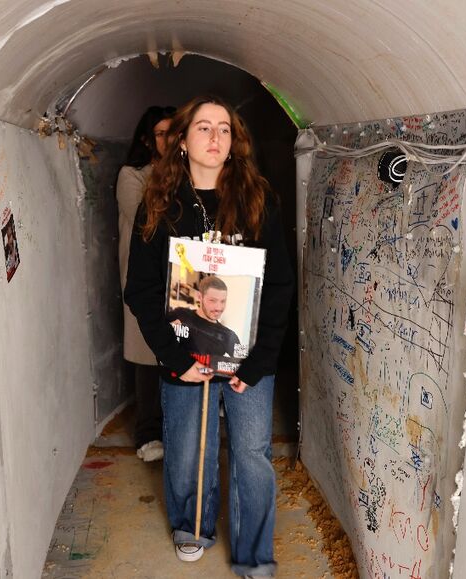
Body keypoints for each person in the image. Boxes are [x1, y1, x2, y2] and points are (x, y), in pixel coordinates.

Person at [124, 96, 294, 578]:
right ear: (181, 140)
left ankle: (254, 551)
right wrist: (176, 359)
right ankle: (191, 526)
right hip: (185, 356)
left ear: (234, 142)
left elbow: (279, 285)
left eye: (224, 129)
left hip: (248, 359)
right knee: (184, 448)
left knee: (251, 453)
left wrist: (259, 361)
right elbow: (140, 289)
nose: (215, 137)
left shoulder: (259, 200)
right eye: (203, 127)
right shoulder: (159, 207)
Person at [116, 105, 176, 462]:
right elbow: (148, 219)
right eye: (160, 133)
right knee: (146, 354)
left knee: (179, 347)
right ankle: (147, 434)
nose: (168, 140)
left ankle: (173, 426)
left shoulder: (185, 173)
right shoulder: (132, 175)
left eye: (174, 132)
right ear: (147, 139)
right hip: (145, 276)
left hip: (179, 277)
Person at [167, 275, 241, 359]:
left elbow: (245, 364)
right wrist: (168, 330)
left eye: (223, 301)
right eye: (212, 300)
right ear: (199, 296)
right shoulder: (179, 314)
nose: (218, 308)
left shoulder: (230, 336)